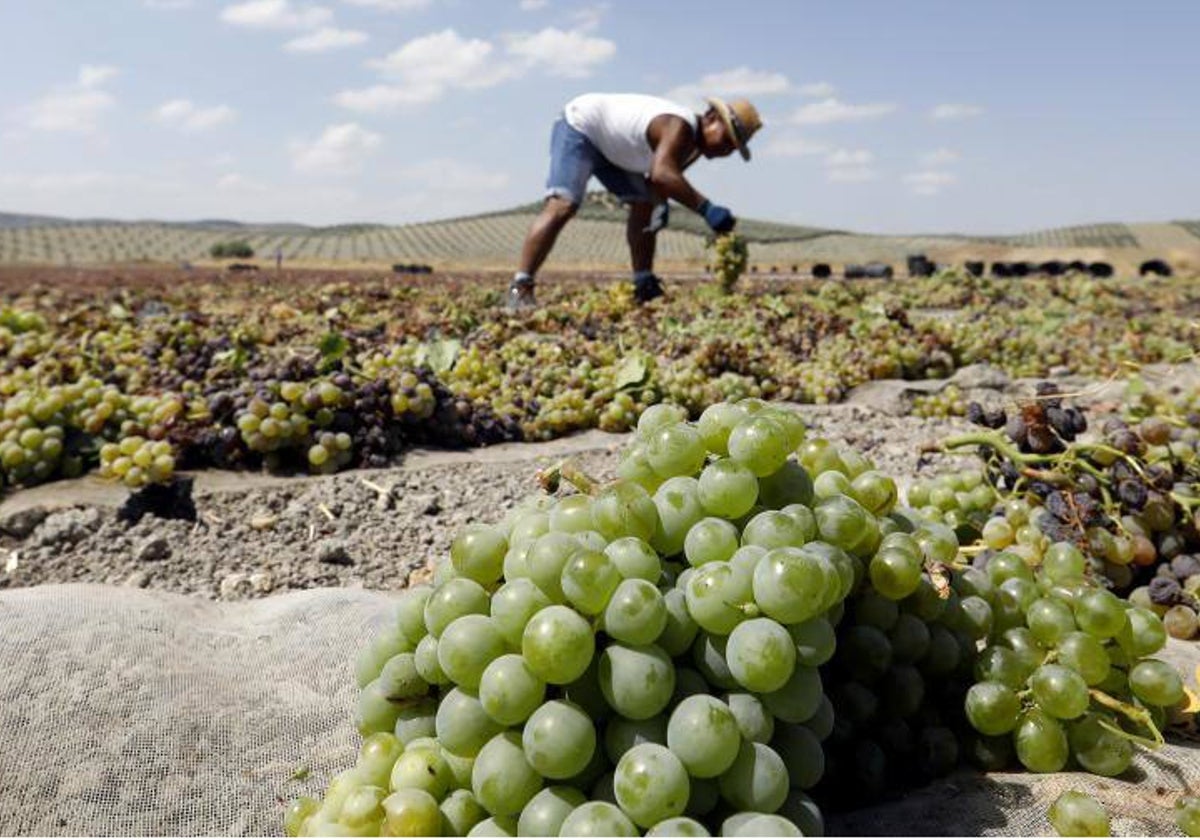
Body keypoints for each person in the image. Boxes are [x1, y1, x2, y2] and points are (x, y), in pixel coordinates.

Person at [508, 93, 762, 310]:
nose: (726, 150)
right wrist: (707, 209)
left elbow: (657, 181)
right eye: (727, 139)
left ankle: (643, 283)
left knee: (644, 204)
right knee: (563, 204)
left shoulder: (693, 148)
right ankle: (520, 288)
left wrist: (659, 204)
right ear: (711, 118)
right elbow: (664, 173)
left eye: (733, 148)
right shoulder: (679, 125)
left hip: (614, 152)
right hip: (582, 127)